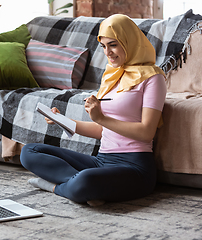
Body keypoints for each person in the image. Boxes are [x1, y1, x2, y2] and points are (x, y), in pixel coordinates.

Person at [20, 14, 167, 206]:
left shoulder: (153, 78)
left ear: (129, 41)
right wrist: (62, 120)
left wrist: (101, 119)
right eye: (103, 46)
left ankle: (58, 187)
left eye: (113, 44)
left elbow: (147, 132)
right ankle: (81, 188)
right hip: (102, 160)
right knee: (29, 151)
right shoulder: (112, 76)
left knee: (85, 180)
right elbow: (102, 131)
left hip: (134, 167)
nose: (108, 52)